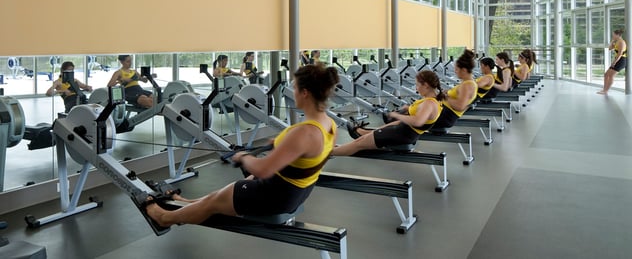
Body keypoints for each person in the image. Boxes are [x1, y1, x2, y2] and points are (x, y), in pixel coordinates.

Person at [145, 64, 339, 226]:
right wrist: (279, 145)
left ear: (305, 93)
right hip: (295, 193)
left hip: (275, 195)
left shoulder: (305, 132)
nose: (293, 91)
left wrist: (244, 157)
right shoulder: (329, 125)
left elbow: (263, 169)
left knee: (216, 200)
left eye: (295, 87)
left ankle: (164, 218)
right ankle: (186, 202)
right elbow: (306, 154)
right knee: (222, 193)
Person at [331, 70, 445, 156]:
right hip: (403, 131)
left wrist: (396, 115)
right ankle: (359, 135)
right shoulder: (432, 100)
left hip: (402, 135)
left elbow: (417, 121)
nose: (416, 88)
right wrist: (406, 108)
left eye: (418, 85)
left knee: (358, 144)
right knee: (362, 139)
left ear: (426, 85)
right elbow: (415, 115)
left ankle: (327, 154)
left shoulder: (429, 104)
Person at [430, 49, 478, 132]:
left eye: (456, 69)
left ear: (464, 70)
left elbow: (460, 106)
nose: (455, 72)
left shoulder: (468, 85)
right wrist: (446, 93)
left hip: (445, 117)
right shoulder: (466, 83)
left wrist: (444, 97)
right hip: (443, 114)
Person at [598, 29, 627, 95]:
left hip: (621, 60)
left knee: (611, 76)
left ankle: (606, 91)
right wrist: (612, 41)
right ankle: (604, 89)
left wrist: (614, 62)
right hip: (618, 60)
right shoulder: (617, 41)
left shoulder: (622, 42)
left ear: (618, 35)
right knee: (606, 75)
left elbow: (620, 54)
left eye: (613, 35)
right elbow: (610, 48)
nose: (612, 36)